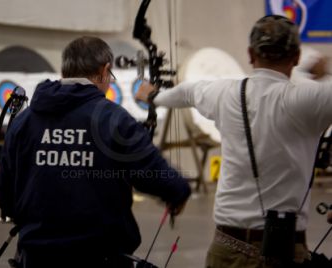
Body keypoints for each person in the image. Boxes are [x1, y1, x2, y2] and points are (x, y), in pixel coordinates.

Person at [136, 15, 332, 267]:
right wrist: (323, 73)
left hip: (226, 250)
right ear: (295, 57)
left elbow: (187, 91)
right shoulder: (311, 100)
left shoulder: (225, 93)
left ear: (251, 55)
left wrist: (154, 97)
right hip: (283, 252)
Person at [0, 36, 191, 268]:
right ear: (104, 70)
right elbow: (155, 174)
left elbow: (5, 194)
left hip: (36, 258)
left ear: (64, 70)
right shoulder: (114, 119)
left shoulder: (23, 122)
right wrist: (177, 191)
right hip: (100, 259)